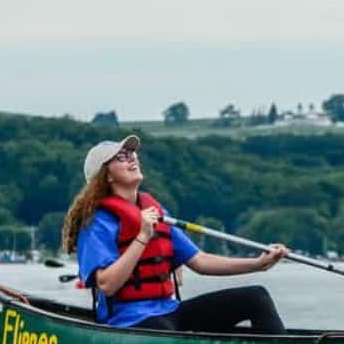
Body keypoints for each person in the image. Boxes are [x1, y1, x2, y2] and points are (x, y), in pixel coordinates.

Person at [61, 134, 288, 333]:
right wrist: (142, 237)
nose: (132, 158)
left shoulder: (156, 212)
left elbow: (200, 261)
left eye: (132, 153)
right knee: (164, 331)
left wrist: (258, 264)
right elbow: (107, 285)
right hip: (129, 321)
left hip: (170, 312)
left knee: (256, 297)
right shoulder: (96, 223)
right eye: (121, 156)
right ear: (106, 175)